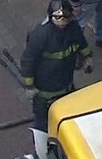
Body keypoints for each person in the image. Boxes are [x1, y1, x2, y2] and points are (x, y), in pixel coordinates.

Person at [20, 0, 92, 132]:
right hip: (45, 91)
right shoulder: (40, 35)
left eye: (66, 18)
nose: (62, 22)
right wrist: (29, 86)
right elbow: (28, 61)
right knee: (42, 124)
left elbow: (81, 43)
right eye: (58, 18)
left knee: (68, 117)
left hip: (66, 84)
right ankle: (41, 149)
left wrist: (87, 57)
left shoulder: (73, 29)